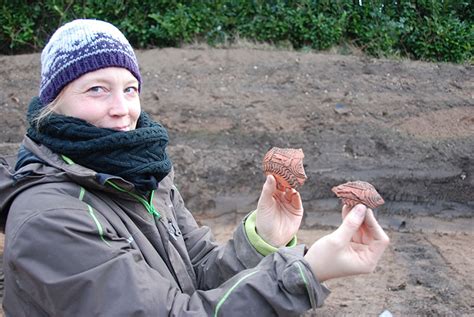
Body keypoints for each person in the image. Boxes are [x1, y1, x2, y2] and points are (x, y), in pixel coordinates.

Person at [0, 19, 389, 316]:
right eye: (96, 89)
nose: (122, 109)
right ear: (53, 104)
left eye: (129, 88)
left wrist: (265, 238)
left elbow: (197, 275)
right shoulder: (50, 218)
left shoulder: (145, 176)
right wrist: (305, 273)